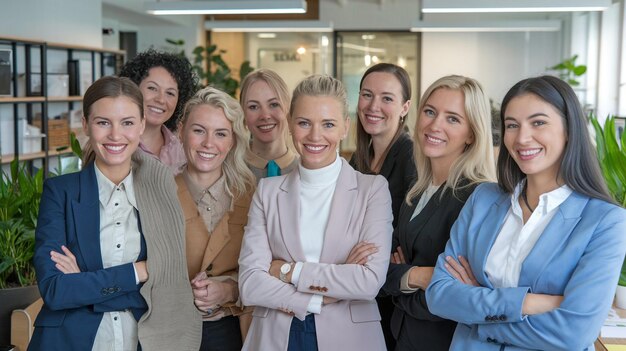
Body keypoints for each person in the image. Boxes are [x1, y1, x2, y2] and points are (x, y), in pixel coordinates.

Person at [426, 75, 626, 350]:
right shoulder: (483, 199)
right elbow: (439, 295)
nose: (522, 137)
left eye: (538, 122)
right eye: (512, 125)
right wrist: (527, 302)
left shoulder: (605, 221)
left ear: (569, 130)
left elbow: (574, 333)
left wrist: (477, 311)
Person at [29, 76, 201, 350]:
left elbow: (168, 285)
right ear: (86, 125)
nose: (115, 135)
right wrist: (138, 271)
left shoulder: (162, 192)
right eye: (103, 122)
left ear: (142, 125)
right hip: (69, 341)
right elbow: (56, 291)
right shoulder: (60, 193)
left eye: (128, 123)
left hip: (143, 340)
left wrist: (84, 283)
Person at [238, 75, 392, 350]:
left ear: (345, 126)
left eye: (328, 124)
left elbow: (368, 282)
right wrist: (317, 297)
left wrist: (287, 271)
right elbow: (250, 284)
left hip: (349, 338)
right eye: (304, 123)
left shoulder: (373, 190)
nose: (315, 136)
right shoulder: (268, 191)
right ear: (290, 124)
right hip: (276, 334)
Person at [382, 75, 496, 351]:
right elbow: (382, 267)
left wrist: (401, 283)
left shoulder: (479, 196)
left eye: (452, 118)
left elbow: (458, 297)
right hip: (401, 336)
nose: (434, 125)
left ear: (472, 133)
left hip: (441, 342)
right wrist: (419, 276)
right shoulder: (418, 188)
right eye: (430, 112)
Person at [175, 86, 256, 350]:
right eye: (199, 130)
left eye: (221, 133)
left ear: (232, 141)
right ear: (181, 131)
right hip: (172, 330)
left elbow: (270, 269)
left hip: (233, 329)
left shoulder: (252, 196)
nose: (209, 143)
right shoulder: (159, 193)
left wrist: (230, 290)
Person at [349, 63, 416, 350]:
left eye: (387, 98)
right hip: (357, 291)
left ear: (404, 107)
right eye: (367, 95)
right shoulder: (357, 160)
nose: (373, 106)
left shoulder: (411, 155)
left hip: (391, 299)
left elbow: (405, 237)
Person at [119, 49, 198, 174]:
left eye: (170, 93)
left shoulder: (183, 148)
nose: (161, 99)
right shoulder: (115, 142)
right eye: (152, 88)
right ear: (133, 88)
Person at [240, 68, 298, 180]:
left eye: (274, 104)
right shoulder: (229, 171)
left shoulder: (305, 172)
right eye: (253, 107)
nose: (265, 115)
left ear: (288, 108)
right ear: (243, 114)